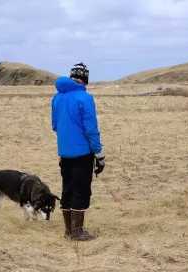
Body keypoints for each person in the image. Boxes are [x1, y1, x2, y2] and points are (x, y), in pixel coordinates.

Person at [51, 63, 105, 241]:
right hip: (82, 153)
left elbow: (55, 126)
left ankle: (68, 230)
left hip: (64, 152)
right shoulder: (85, 98)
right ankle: (77, 231)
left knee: (67, 189)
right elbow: (91, 128)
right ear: (85, 79)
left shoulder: (57, 98)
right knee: (81, 190)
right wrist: (99, 153)